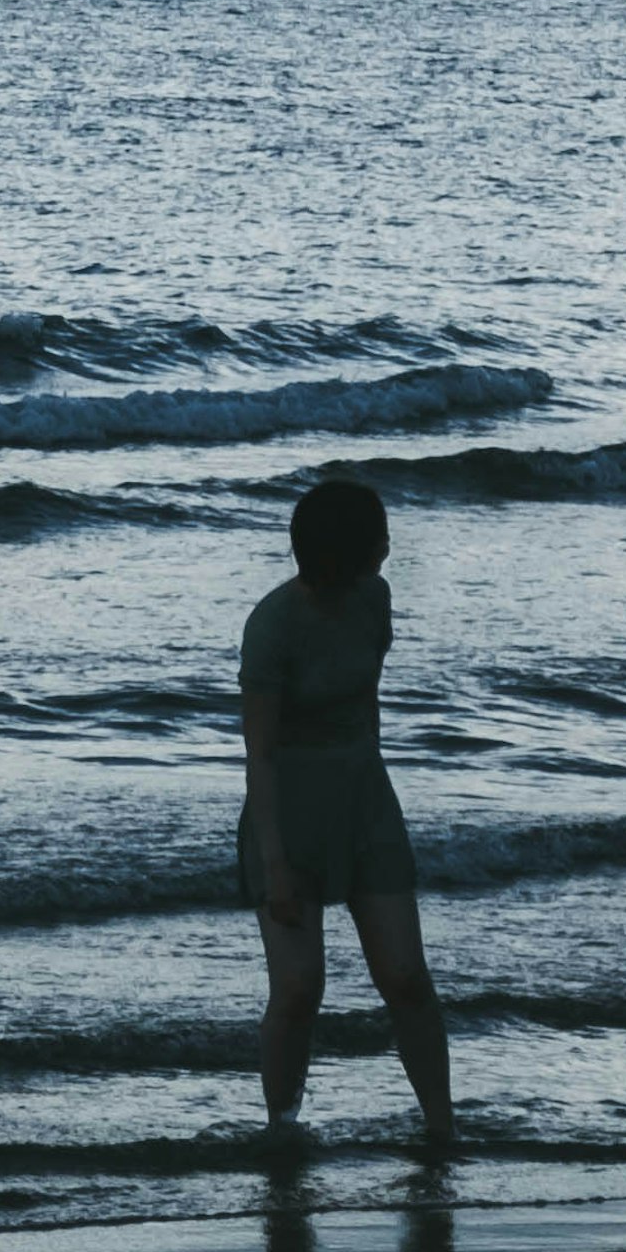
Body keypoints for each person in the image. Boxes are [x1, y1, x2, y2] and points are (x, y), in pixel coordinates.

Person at [240, 464, 451, 1149]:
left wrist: (369, 780)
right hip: (289, 812)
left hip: (364, 800)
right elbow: (261, 755)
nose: (388, 549)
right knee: (300, 988)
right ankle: (283, 1130)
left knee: (405, 975)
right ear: (342, 550)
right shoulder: (272, 626)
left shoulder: (374, 599)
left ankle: (442, 1127)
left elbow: (366, 705)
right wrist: (275, 863)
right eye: (377, 539)